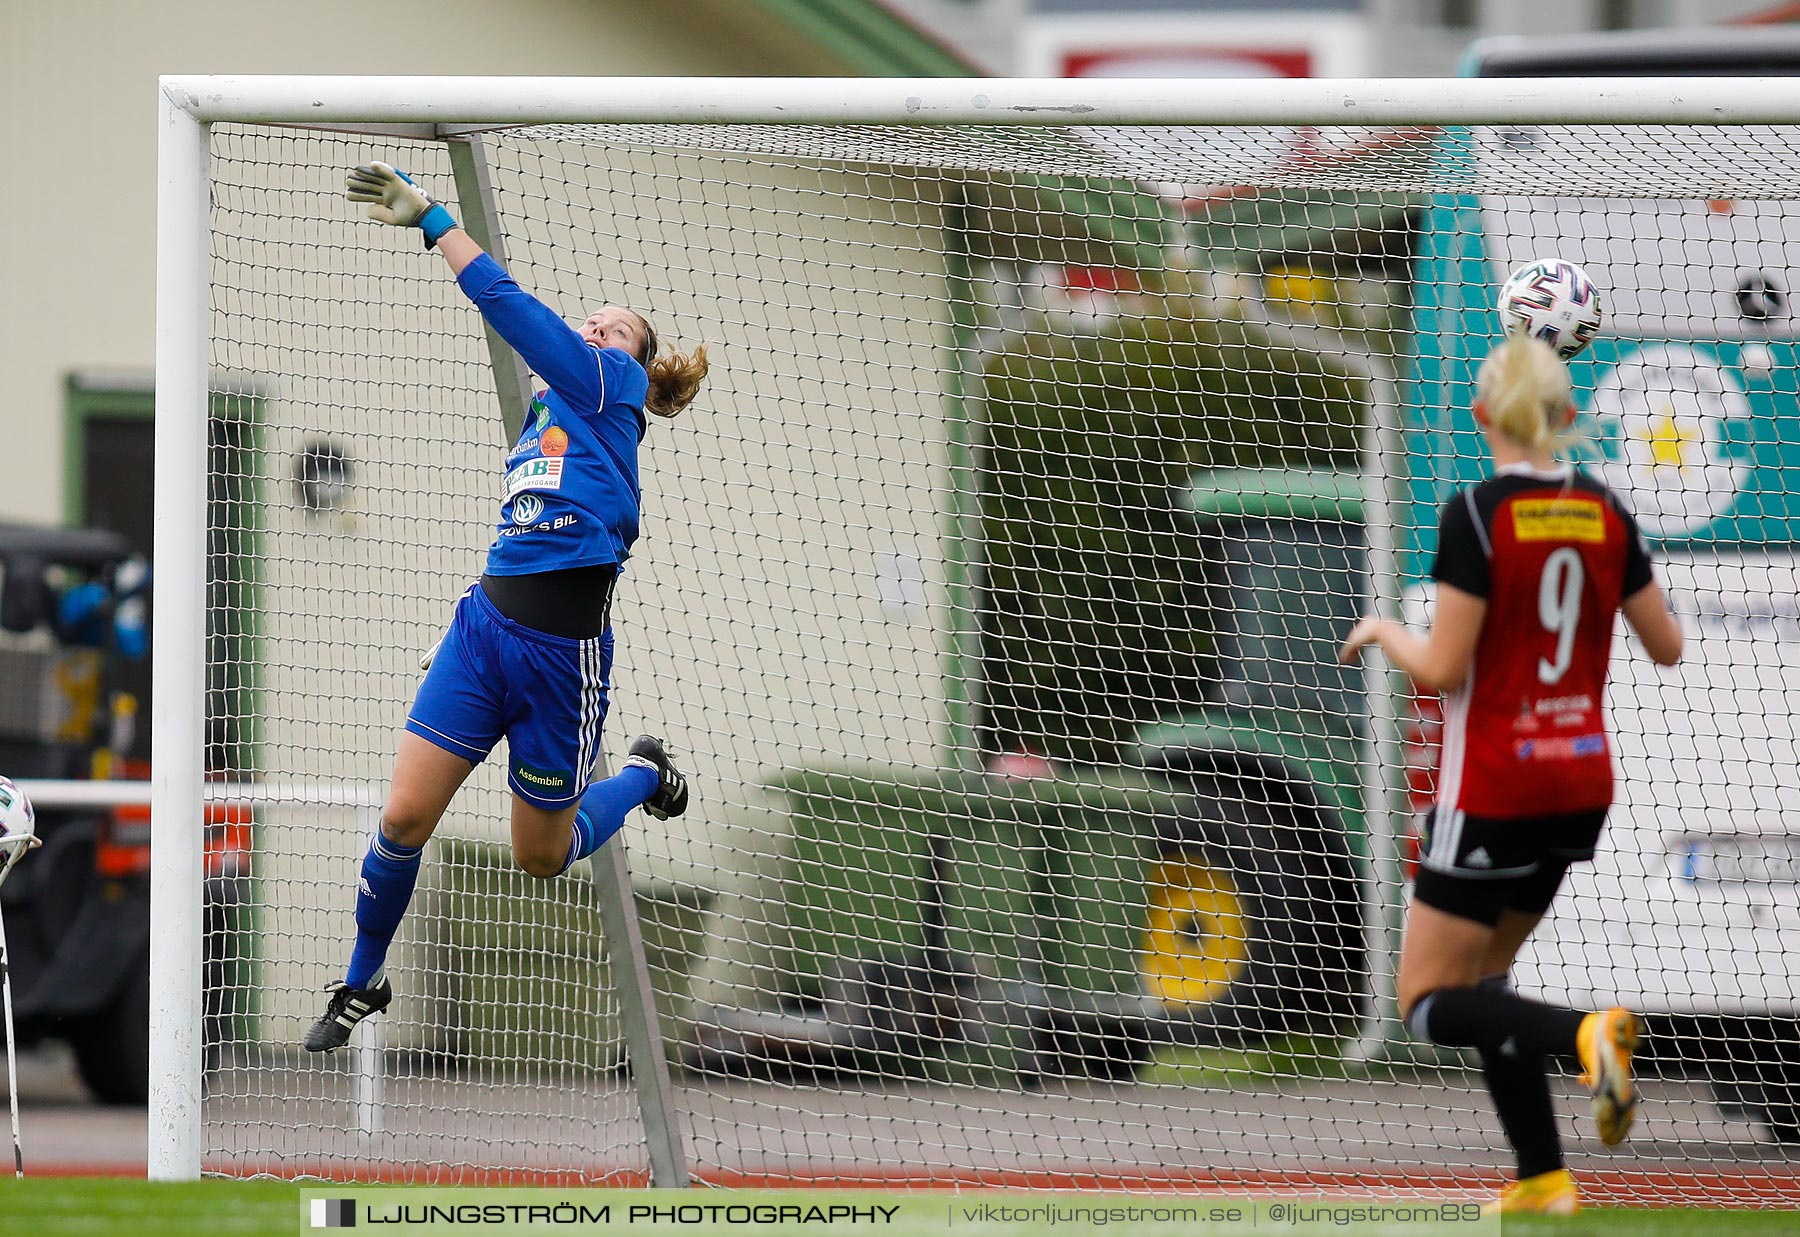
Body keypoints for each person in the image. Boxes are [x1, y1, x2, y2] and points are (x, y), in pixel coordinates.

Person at [304, 161, 710, 1053]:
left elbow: (510, 307)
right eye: (597, 314)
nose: (600, 322)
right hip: (483, 632)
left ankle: (643, 774)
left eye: (620, 326)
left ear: (635, 365)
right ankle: (362, 979)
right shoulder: (548, 409)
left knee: (539, 857)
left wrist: (435, 220)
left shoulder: (610, 388)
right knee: (404, 817)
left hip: (561, 659)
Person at [1339, 336, 1683, 1215]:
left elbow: (1445, 667)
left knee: (1424, 1003)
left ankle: (1584, 1035)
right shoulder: (1605, 509)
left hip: (1494, 786)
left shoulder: (1478, 514)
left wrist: (1384, 630)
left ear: (1483, 414)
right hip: (1579, 787)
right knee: (1486, 985)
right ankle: (1543, 1175)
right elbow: (1668, 645)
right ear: (1568, 418)